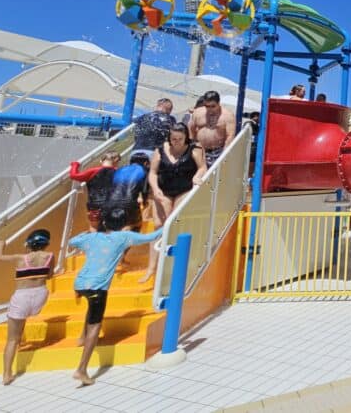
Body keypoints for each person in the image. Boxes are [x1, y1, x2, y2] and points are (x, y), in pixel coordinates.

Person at [69, 207, 161, 385]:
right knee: (95, 326)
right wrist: (168, 224)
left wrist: (88, 233)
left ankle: (81, 336)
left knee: (91, 307)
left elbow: (73, 241)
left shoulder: (93, 237)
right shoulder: (124, 237)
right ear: (124, 224)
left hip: (80, 283)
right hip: (97, 288)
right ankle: (82, 369)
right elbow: (151, 237)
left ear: (104, 222)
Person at [140, 123, 208, 282]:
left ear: (186, 137)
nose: (176, 141)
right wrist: (155, 189)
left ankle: (171, 266)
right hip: (163, 189)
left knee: (174, 222)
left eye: (179, 139)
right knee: (158, 226)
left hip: (183, 189)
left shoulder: (195, 149)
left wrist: (197, 177)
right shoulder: (160, 149)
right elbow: (153, 172)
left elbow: (202, 167)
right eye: (173, 139)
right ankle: (151, 268)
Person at [0, 229, 53, 385]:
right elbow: (49, 275)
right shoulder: (50, 256)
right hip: (40, 295)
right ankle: (20, 339)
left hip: (22, 297)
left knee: (11, 339)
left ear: (29, 244)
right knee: (22, 323)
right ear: (46, 244)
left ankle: (7, 374)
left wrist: (0, 245)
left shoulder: (20, 257)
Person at [69, 152, 119, 230]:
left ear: (101, 161)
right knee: (111, 227)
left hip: (94, 204)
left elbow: (74, 176)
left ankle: (94, 239)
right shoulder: (119, 172)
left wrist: (75, 165)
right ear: (116, 162)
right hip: (112, 205)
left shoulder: (93, 171)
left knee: (94, 226)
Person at [188, 90, 235, 166]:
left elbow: (230, 135)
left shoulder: (228, 115)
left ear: (219, 103)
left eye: (213, 106)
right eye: (207, 106)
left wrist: (224, 154)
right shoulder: (198, 112)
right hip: (199, 149)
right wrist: (192, 145)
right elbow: (191, 129)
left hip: (217, 151)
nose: (210, 109)